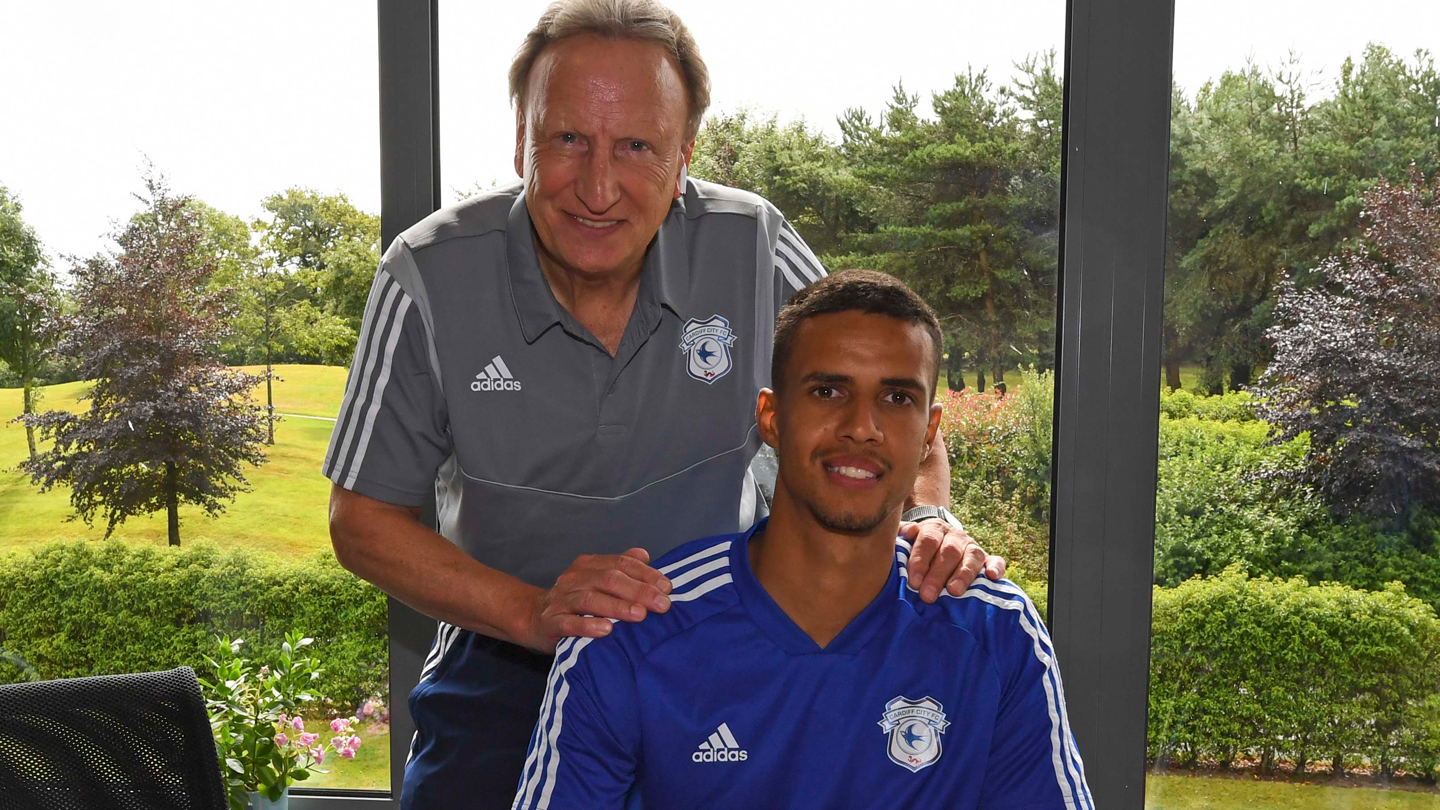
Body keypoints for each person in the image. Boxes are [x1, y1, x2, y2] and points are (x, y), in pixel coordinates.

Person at [322, 1, 1006, 806]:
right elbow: (361, 517)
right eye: (568, 138)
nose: (598, 188)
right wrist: (535, 611)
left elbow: (885, 400)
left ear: (684, 159)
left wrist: (926, 520)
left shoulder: (753, 244)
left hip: (721, 653)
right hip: (507, 657)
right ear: (521, 138)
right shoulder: (425, 275)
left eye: (638, 148)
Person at [512, 271, 1091, 810]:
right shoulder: (630, 633)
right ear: (771, 417)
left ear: (929, 434)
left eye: (897, 398)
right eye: (828, 391)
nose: (862, 426)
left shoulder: (996, 634)